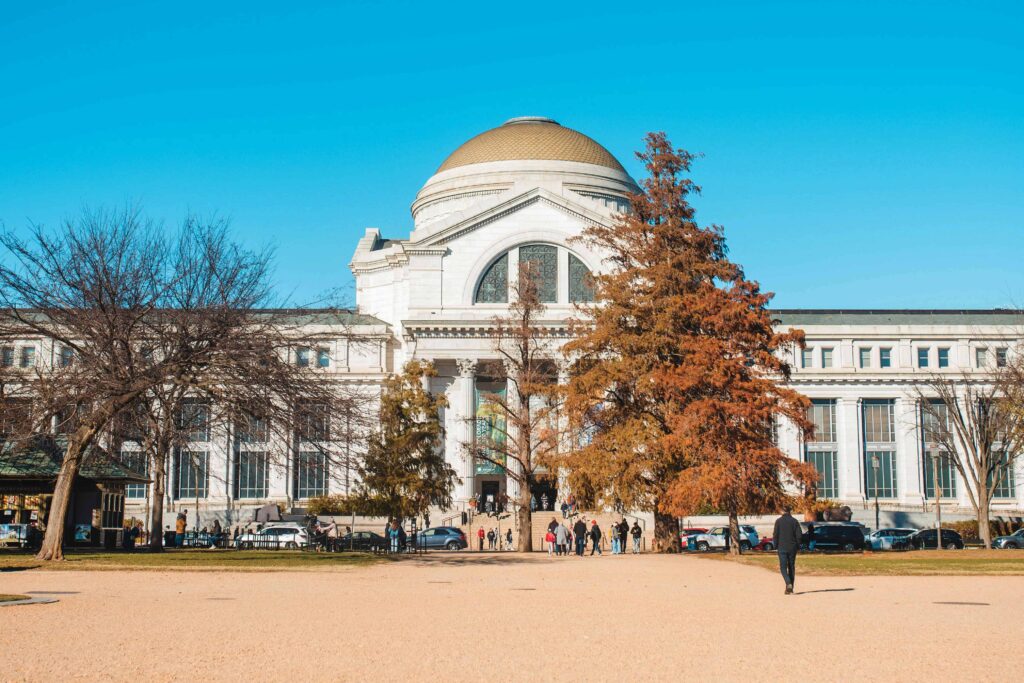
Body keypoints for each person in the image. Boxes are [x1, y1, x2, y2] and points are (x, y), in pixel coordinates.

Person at [773, 504, 803, 594]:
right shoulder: (794, 521)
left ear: (782, 511)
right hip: (792, 547)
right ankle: (790, 588)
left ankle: (788, 583)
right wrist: (798, 545)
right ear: (790, 511)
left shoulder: (778, 521)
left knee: (783, 567)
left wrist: (775, 545)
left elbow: (775, 535)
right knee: (791, 567)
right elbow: (799, 535)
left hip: (782, 547)